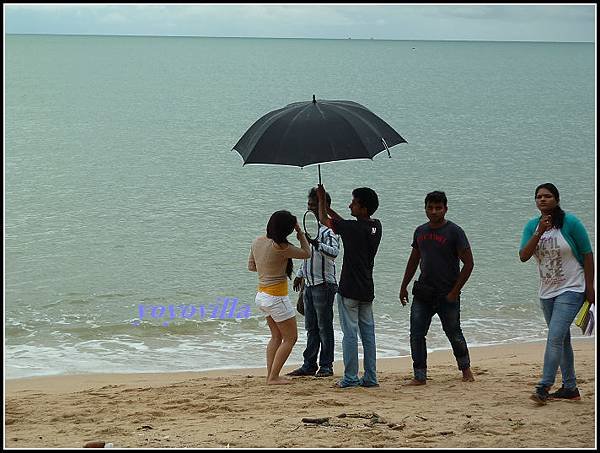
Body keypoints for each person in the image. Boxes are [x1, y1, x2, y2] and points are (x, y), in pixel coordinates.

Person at [519, 183, 595, 404]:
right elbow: (524, 255)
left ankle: (544, 386)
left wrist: (590, 287)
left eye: (547, 196)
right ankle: (570, 388)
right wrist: (539, 231)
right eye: (539, 197)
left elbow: (587, 254)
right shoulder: (532, 226)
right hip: (547, 291)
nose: (542, 200)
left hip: (572, 288)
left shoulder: (571, 223)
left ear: (557, 199)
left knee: (554, 337)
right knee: (562, 339)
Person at [398, 190, 475, 385]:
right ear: (425, 208)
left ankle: (466, 370)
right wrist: (404, 285)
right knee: (416, 334)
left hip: (448, 293)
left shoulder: (455, 232)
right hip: (424, 292)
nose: (434, 211)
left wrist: (455, 291)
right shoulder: (420, 231)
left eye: (438, 208)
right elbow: (414, 259)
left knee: (453, 332)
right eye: (430, 208)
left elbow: (469, 264)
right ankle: (420, 376)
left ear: (445, 209)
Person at [316, 184, 382, 388]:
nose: (350, 205)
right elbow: (342, 223)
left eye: (354, 202)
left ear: (363, 208)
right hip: (366, 289)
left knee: (350, 334)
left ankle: (351, 377)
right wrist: (327, 207)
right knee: (368, 334)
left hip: (349, 288)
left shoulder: (352, 229)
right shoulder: (375, 226)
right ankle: (371, 377)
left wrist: (321, 202)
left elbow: (324, 220)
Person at [248, 210, 311, 385]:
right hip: (276, 297)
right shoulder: (281, 247)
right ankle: (274, 377)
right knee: (291, 338)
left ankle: (271, 375)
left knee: (276, 337)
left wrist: (268, 268)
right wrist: (301, 234)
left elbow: (251, 267)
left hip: (262, 296)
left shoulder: (257, 241)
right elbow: (307, 253)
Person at [287, 188, 340, 378]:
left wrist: (316, 242)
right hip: (309, 284)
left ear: (324, 207)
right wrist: (300, 274)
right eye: (309, 205)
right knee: (311, 327)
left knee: (324, 327)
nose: (310, 208)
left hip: (324, 284)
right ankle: (309, 364)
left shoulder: (329, 230)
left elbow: (334, 253)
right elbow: (307, 257)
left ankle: (326, 366)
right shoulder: (310, 230)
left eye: (314, 205)